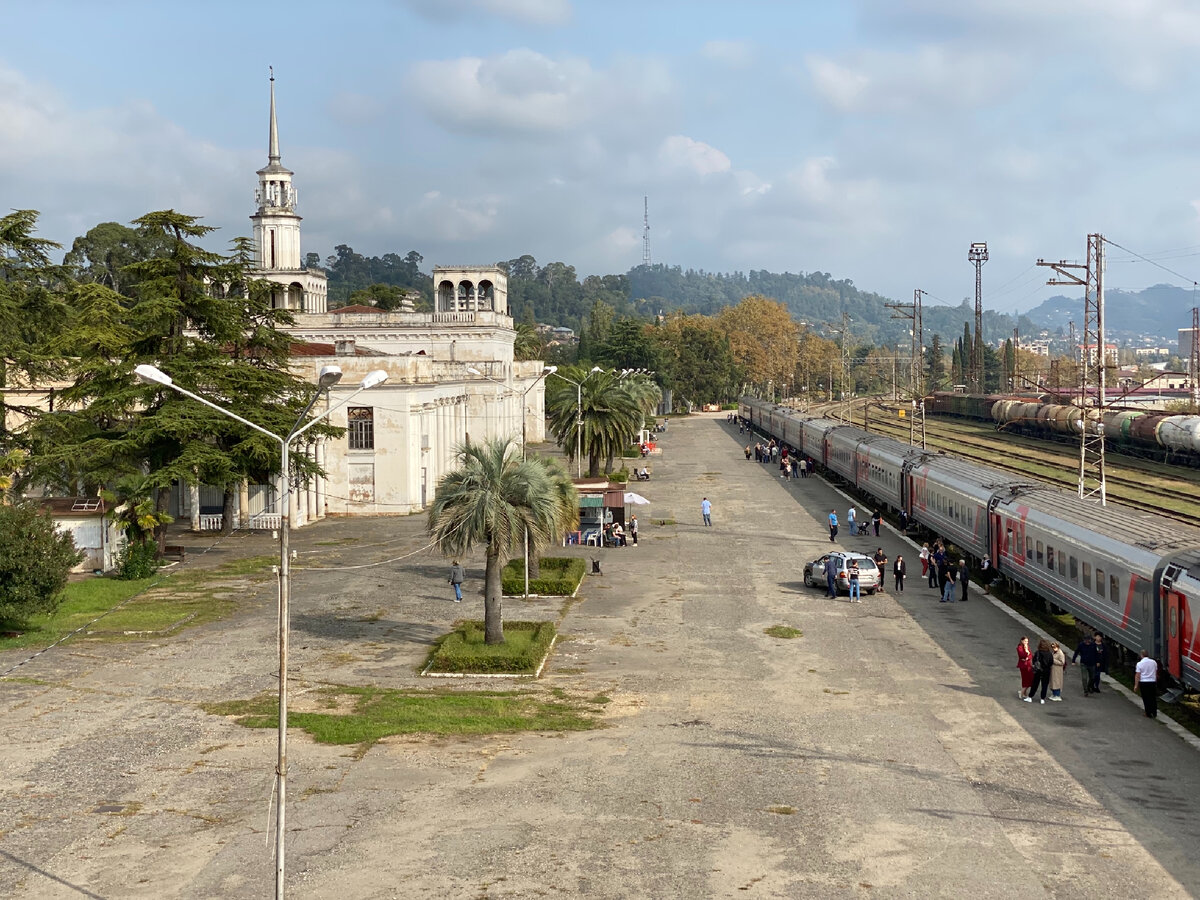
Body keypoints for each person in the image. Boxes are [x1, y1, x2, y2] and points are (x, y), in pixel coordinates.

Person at [1071, 632, 1102, 696]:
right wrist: (1073, 660)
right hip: (1084, 663)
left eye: (1089, 640)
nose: (1087, 642)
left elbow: (1097, 654)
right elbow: (1076, 652)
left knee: (1092, 677)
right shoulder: (1081, 645)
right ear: (1084, 640)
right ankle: (1085, 691)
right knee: (1084, 678)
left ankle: (1089, 686)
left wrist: (1098, 661)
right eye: (1086, 640)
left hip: (1092, 663)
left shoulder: (1093, 645)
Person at [1134, 650, 1158, 718]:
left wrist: (1136, 685)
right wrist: (1155, 680)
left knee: (1146, 698)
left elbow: (1138, 675)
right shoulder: (1154, 662)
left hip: (1144, 682)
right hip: (1152, 682)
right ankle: (1154, 712)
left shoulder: (1139, 664)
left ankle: (1148, 713)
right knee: (1153, 697)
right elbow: (1155, 673)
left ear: (1141, 655)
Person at [1029, 638, 1054, 704]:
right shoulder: (1049, 654)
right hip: (1046, 671)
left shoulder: (1038, 652)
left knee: (1035, 684)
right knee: (1044, 685)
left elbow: (1034, 661)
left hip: (1038, 670)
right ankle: (1042, 699)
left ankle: (1030, 697)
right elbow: (1051, 662)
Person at [1017, 636, 1034, 701]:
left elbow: (1030, 655)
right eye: (1025, 641)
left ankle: (1024, 692)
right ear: (1022, 641)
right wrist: (1026, 652)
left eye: (1027, 641)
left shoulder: (1027, 646)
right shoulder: (1019, 648)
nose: (1026, 643)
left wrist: (1027, 657)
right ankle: (1022, 692)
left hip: (1029, 665)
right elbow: (1022, 655)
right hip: (1023, 666)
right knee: (1026, 679)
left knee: (1031, 679)